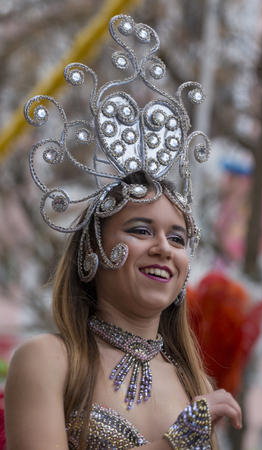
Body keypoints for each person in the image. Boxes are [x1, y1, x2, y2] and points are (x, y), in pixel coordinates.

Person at [5, 15, 242, 450]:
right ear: (91, 250)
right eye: (140, 229)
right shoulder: (48, 361)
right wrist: (177, 442)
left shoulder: (195, 384)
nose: (163, 249)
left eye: (177, 238)